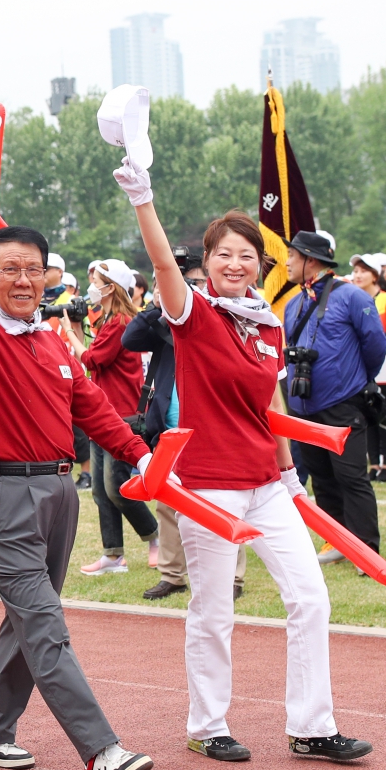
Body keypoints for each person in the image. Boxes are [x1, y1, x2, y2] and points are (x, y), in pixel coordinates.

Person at [117, 154, 371, 764]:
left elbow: (270, 400)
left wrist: (288, 473)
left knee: (310, 597)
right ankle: (209, 725)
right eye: (223, 254)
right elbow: (158, 263)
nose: (236, 264)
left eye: (246, 255)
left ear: (262, 265)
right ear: (207, 263)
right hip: (207, 485)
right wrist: (142, 196)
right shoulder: (193, 314)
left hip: (266, 482)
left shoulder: (268, 323)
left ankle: (311, 726)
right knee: (214, 608)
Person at [0, 187, 156, 770]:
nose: (23, 280)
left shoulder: (54, 341)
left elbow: (98, 411)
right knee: (46, 624)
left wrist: (143, 454)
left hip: (58, 494)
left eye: (33, 269)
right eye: (9, 270)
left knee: (29, 620)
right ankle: (102, 753)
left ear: (48, 276)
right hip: (0, 497)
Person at [125, 253, 249, 600]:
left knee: (223, 502)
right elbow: (130, 339)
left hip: (214, 426)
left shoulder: (221, 315)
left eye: (190, 280)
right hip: (170, 426)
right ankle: (173, 574)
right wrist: (158, 301)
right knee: (167, 503)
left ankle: (233, 578)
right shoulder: (165, 321)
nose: (184, 288)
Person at [283, 232, 386, 567]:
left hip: (344, 403)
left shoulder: (352, 297)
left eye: (292, 257)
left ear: (310, 260)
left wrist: (356, 381)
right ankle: (335, 539)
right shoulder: (293, 304)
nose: (286, 262)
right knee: (322, 475)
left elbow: (376, 345)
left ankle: (365, 549)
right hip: (304, 405)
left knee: (351, 476)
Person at [74, 259, 159, 575]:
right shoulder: (109, 320)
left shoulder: (121, 322)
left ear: (111, 287)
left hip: (120, 414)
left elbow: (93, 359)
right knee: (100, 489)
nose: (91, 287)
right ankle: (113, 554)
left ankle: (154, 537)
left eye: (96, 280)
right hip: (103, 410)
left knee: (116, 486)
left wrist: (71, 334)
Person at [348, 254, 386, 482]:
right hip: (360, 368)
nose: (358, 275)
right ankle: (375, 464)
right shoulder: (351, 298)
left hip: (385, 365)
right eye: (356, 271)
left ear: (375, 275)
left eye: (363, 271)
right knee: (367, 416)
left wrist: (370, 337)